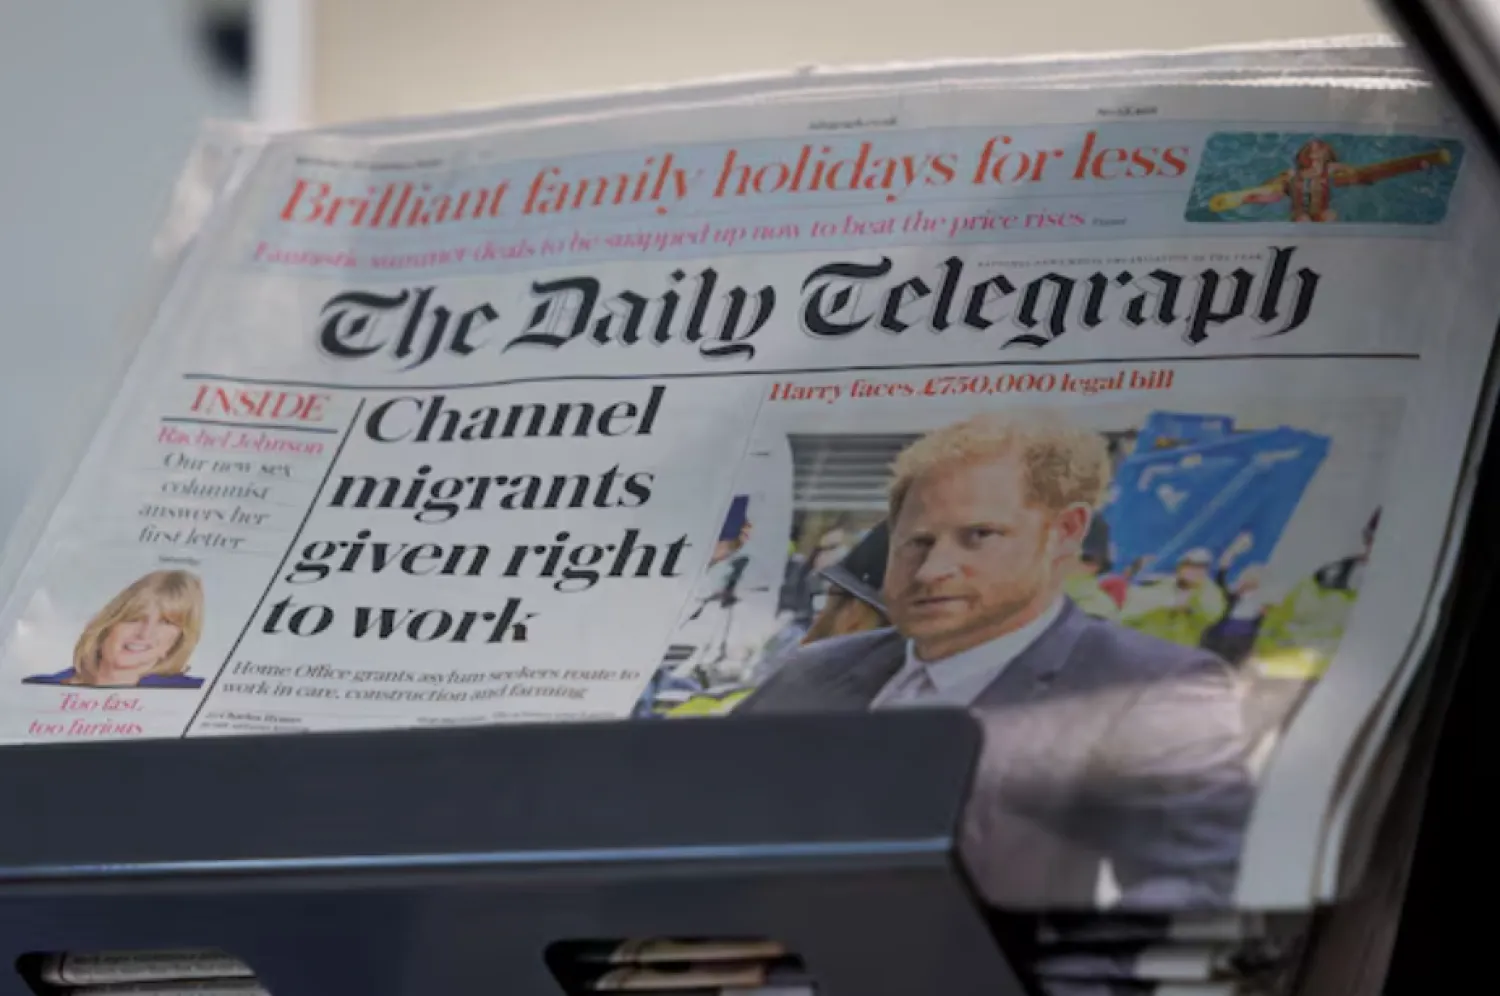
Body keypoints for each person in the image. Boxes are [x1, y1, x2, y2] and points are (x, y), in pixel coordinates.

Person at [735, 411, 1252, 910]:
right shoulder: (814, 673)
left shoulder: (1150, 690)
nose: (932, 570)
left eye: (978, 535)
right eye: (917, 542)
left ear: (1066, 532)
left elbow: (1183, 910)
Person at [26, 570, 205, 689]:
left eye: (165, 622)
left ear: (177, 641)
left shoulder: (194, 694)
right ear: (109, 624)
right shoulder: (38, 688)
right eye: (134, 619)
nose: (145, 633)